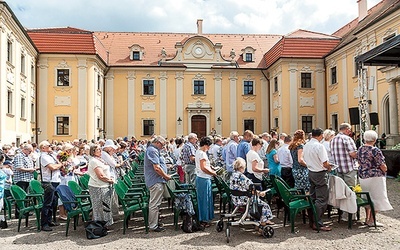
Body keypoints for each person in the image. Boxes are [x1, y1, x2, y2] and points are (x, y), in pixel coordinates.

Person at [357, 130, 393, 227]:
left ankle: (367, 218)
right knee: (377, 197)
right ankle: (372, 220)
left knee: (367, 197)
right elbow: (381, 164)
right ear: (374, 139)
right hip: (375, 176)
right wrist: (385, 169)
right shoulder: (375, 150)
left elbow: (359, 161)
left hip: (363, 176)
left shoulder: (360, 148)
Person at [303, 128, 332, 232]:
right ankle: (317, 222)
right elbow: (325, 162)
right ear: (320, 135)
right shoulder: (319, 146)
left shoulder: (306, 145)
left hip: (311, 172)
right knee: (322, 199)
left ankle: (312, 221)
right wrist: (329, 167)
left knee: (313, 197)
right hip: (319, 172)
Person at [230, 158, 274, 226]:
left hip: (235, 199)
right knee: (264, 205)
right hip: (244, 199)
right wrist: (260, 193)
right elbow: (251, 189)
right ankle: (263, 223)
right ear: (242, 167)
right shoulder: (242, 177)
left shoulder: (233, 175)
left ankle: (257, 220)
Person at [144, 136, 171, 232]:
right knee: (154, 204)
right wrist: (166, 176)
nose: (163, 147)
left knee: (155, 203)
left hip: (157, 180)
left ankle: (155, 222)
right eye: (162, 145)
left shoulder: (153, 150)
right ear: (158, 143)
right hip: (156, 180)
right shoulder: (152, 150)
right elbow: (156, 168)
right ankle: (153, 225)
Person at [38, 140, 64, 232]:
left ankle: (49, 220)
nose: (51, 147)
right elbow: (52, 167)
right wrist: (60, 164)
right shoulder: (44, 157)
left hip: (55, 180)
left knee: (53, 203)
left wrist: (59, 163)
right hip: (48, 181)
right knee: (47, 203)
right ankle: (44, 223)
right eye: (49, 146)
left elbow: (57, 163)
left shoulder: (51, 155)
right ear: (43, 148)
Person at [87, 144, 115, 227]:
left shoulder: (99, 159)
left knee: (106, 206)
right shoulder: (94, 161)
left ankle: (106, 223)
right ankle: (100, 224)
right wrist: (110, 180)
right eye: (98, 150)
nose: (100, 151)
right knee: (100, 206)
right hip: (98, 186)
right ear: (93, 152)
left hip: (104, 185)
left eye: (100, 149)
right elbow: (101, 176)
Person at [195, 137, 217, 227]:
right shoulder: (203, 154)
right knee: (205, 199)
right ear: (205, 145)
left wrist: (210, 168)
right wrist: (213, 173)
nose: (209, 148)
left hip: (201, 177)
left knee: (203, 199)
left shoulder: (198, 152)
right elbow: (203, 168)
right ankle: (204, 220)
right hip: (204, 178)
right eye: (208, 146)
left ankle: (204, 219)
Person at [330, 123, 358, 187]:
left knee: (341, 190)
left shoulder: (333, 139)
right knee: (351, 190)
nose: (350, 132)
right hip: (349, 168)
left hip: (338, 168)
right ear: (347, 129)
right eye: (350, 130)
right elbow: (353, 153)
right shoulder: (347, 138)